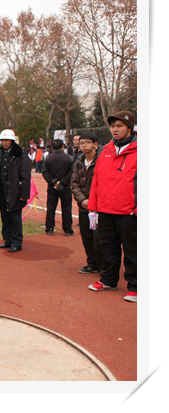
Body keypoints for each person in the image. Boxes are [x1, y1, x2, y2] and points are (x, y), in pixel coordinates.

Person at [87, 111, 137, 302]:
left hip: (128, 212)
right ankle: (108, 280)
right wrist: (94, 206)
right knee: (107, 247)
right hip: (106, 209)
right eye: (112, 126)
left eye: (119, 126)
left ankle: (135, 286)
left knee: (133, 250)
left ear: (129, 128)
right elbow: (97, 180)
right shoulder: (105, 151)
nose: (114, 129)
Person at [0, 129, 31, 253]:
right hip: (2, 191)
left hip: (15, 191)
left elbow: (25, 175)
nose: (5, 142)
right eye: (3, 140)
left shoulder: (20, 154)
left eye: (7, 140)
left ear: (12, 141)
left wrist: (23, 194)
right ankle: (7, 240)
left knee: (15, 218)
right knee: (5, 217)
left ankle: (16, 242)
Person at [70, 133, 102, 274]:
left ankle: (103, 265)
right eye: (81, 142)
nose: (84, 145)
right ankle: (92, 263)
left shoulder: (102, 160)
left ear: (95, 144)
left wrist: (94, 201)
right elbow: (74, 183)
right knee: (86, 236)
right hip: (84, 207)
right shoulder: (79, 161)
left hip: (99, 207)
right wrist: (83, 200)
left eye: (87, 142)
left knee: (100, 237)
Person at [42, 139, 74, 236]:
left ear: (52, 147)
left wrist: (53, 181)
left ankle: (49, 228)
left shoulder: (48, 158)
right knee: (67, 208)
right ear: (63, 146)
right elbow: (71, 172)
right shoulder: (69, 158)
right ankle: (67, 229)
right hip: (65, 187)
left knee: (51, 208)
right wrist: (63, 181)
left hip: (52, 187)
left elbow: (45, 172)